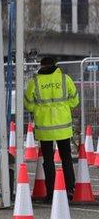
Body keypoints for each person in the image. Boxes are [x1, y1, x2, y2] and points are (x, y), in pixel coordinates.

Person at [24, 56, 79, 199]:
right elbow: (74, 101)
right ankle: (70, 189)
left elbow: (28, 104)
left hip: (44, 127)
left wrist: (39, 109)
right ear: (55, 65)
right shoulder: (64, 79)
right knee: (66, 158)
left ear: (41, 66)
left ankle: (51, 193)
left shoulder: (34, 82)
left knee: (48, 160)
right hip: (63, 126)